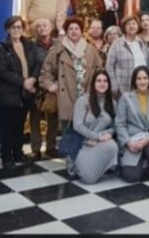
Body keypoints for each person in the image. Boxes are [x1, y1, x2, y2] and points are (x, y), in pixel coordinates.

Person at [40, 17, 103, 168]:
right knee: (69, 129)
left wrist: (98, 88)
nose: (74, 31)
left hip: (86, 96)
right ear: (66, 32)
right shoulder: (58, 50)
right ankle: (72, 162)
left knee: (86, 129)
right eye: (70, 29)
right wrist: (50, 85)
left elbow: (100, 70)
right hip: (66, 95)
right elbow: (45, 72)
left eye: (77, 29)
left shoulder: (90, 50)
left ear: (81, 31)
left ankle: (85, 160)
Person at [0, 16, 40, 168]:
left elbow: (38, 64)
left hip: (26, 93)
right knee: (8, 127)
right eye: (13, 27)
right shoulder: (1, 48)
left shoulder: (30, 45)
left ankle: (18, 153)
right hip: (9, 93)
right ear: (7, 29)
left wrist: (32, 79)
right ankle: (7, 156)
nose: (17, 30)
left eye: (19, 27)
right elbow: (2, 72)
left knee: (20, 126)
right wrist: (23, 82)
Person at [115, 66, 149, 182]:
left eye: (145, 78)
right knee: (131, 177)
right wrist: (128, 143)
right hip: (132, 141)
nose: (142, 81)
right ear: (134, 81)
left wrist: (148, 139)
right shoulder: (126, 98)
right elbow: (119, 124)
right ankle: (136, 161)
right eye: (139, 78)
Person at [71, 71, 119, 184]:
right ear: (93, 83)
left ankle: (101, 168)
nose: (102, 84)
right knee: (89, 179)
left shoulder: (112, 103)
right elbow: (77, 126)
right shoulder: (83, 101)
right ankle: (74, 164)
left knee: (113, 146)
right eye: (99, 81)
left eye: (105, 81)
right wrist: (96, 136)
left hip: (100, 143)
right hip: (83, 143)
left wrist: (107, 134)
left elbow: (116, 125)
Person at [30, 18, 59, 160]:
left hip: (54, 87)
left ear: (51, 27)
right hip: (36, 88)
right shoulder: (31, 46)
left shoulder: (58, 44)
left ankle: (51, 147)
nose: (42, 28)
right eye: (39, 26)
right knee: (34, 119)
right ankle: (35, 149)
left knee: (53, 119)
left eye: (45, 25)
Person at [104, 15, 146, 97]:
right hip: (123, 88)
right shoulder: (117, 44)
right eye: (128, 24)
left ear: (138, 26)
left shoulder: (142, 43)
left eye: (134, 24)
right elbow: (109, 66)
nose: (131, 26)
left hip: (141, 86)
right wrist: (114, 86)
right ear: (124, 27)